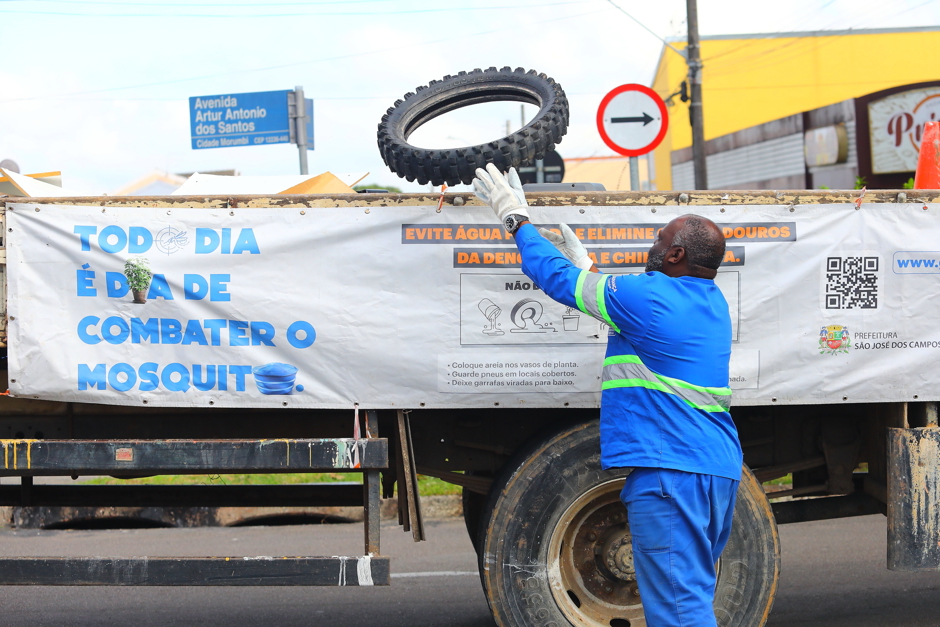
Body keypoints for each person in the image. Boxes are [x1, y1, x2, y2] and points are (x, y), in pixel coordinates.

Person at [473, 163, 743, 627]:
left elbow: (557, 280)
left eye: (659, 239)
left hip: (671, 475)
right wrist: (592, 271)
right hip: (713, 471)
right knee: (690, 595)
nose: (652, 246)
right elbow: (630, 312)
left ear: (676, 254)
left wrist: (515, 217)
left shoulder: (650, 299)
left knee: (680, 611)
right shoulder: (708, 302)